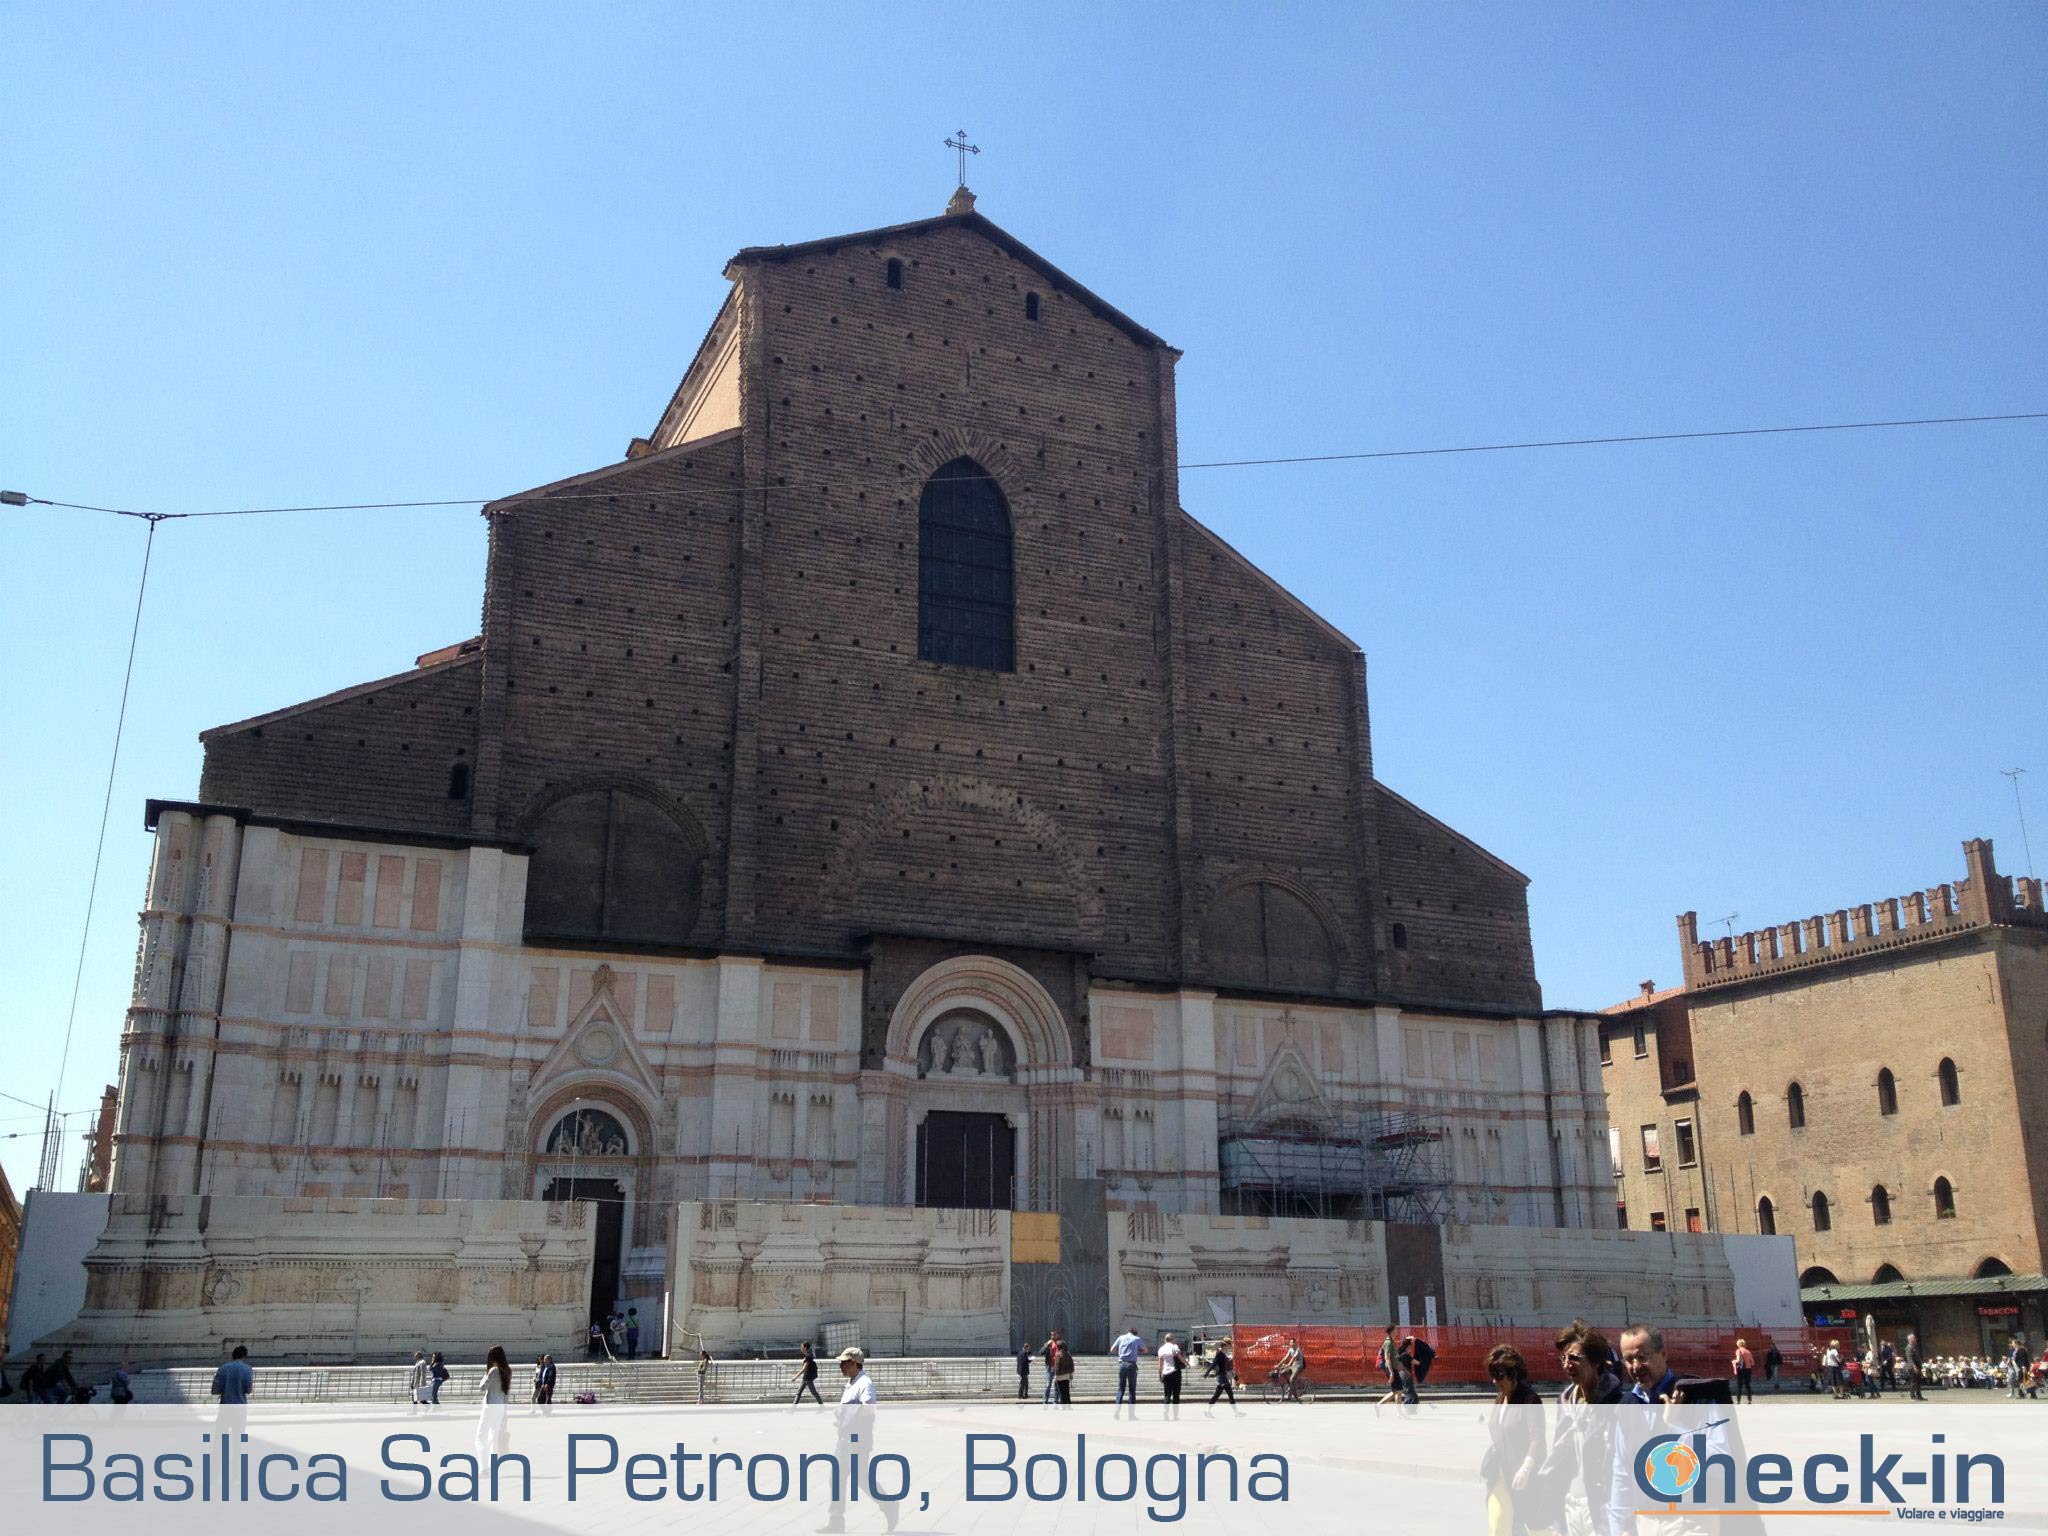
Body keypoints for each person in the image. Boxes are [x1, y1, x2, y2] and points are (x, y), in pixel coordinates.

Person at [1536, 1321, 1624, 1536]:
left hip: (1602, 1509)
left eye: (1575, 1358)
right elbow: (1560, 1462)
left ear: (1595, 1362)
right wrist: (1557, 1518)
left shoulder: (1617, 1403)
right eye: (1563, 1358)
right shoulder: (1566, 1404)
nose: (1567, 1365)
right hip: (1571, 1506)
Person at [818, 1348, 899, 1534]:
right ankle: (836, 1521)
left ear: (854, 1363)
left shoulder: (865, 1383)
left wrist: (847, 1415)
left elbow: (869, 1408)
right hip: (844, 1440)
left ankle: (890, 1505)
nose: (841, 1366)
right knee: (836, 1479)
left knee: (863, 1480)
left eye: (844, 1362)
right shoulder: (851, 1383)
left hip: (857, 1441)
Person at [1484, 1345, 1547, 1536]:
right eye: (1492, 1375)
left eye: (1500, 1375)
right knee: (1498, 1525)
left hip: (1525, 1477)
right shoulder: (1500, 1398)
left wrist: (1526, 1468)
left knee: (1537, 1528)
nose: (1495, 1380)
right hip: (1500, 1476)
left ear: (1514, 1373)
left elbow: (1537, 1438)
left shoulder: (1529, 1399)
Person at [476, 1345, 511, 1458]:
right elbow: (506, 1393)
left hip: (490, 1405)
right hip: (500, 1405)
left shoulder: (493, 1371)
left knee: (481, 1436)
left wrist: (485, 1375)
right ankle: (493, 1461)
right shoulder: (507, 1370)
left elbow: (482, 1387)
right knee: (494, 1436)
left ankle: (484, 1466)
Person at [1109, 1324, 1147, 1414]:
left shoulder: (1121, 1338)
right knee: (1132, 1389)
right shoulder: (1136, 1339)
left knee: (1121, 1389)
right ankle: (1131, 1414)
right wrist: (1137, 1350)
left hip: (1122, 1364)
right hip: (1131, 1365)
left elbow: (1112, 1349)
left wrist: (1121, 1352)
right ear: (1135, 1333)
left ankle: (1117, 1411)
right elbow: (1145, 1350)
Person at [1203, 1338, 1242, 1414]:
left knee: (1217, 1395)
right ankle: (1236, 1413)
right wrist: (1207, 1373)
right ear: (1226, 1345)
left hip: (1223, 1376)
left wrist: (1235, 1377)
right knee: (1230, 1394)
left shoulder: (1224, 1353)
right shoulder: (1219, 1353)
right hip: (1221, 1377)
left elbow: (1228, 1367)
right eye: (1230, 1344)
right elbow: (1213, 1364)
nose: (1231, 1346)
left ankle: (1208, 1411)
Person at [1157, 1332, 1186, 1417]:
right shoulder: (1174, 1347)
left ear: (1165, 1340)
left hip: (1166, 1373)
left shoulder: (1161, 1349)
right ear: (1172, 1339)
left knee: (1167, 1394)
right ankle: (1175, 1416)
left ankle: (1165, 1412)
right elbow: (1179, 1356)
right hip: (1175, 1372)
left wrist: (1160, 1375)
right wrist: (1186, 1362)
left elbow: (1160, 1365)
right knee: (1176, 1394)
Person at [792, 1341, 824, 1407]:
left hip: (808, 1378)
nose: (801, 1348)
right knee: (799, 1393)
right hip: (806, 1377)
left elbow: (804, 1369)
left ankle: (822, 1406)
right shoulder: (808, 1356)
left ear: (805, 1348)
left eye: (802, 1347)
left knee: (814, 1393)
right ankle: (792, 1409)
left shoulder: (808, 1357)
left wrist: (795, 1377)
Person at [1277, 1335, 1307, 1402]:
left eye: (1292, 1342)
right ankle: (1291, 1386)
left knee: (1291, 1379)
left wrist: (1288, 1365)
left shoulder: (1298, 1349)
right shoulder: (1290, 1350)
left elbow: (1293, 1358)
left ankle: (1296, 1396)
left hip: (1298, 1366)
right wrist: (1278, 1365)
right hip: (1292, 1366)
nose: (1291, 1344)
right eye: (1290, 1342)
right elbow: (1285, 1358)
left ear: (1295, 1343)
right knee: (1282, 1372)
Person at [1051, 1334, 1075, 1406]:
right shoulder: (1068, 1354)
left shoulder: (1058, 1354)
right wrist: (1071, 1374)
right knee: (1067, 1390)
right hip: (1067, 1375)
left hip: (1060, 1375)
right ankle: (1069, 1405)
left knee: (1061, 1391)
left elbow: (1057, 1366)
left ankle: (1063, 1405)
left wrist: (1056, 1375)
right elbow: (1071, 1364)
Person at [1040, 1330, 1061, 1405]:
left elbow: (1065, 1354)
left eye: (1054, 1335)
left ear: (1057, 1335)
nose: (1052, 1336)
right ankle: (1045, 1401)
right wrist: (1046, 1345)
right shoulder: (1048, 1344)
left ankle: (1055, 1401)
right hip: (1050, 1367)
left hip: (1058, 1368)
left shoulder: (1061, 1344)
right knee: (1048, 1384)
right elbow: (1041, 1352)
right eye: (1051, 1335)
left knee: (1057, 1385)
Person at [1731, 1337, 1754, 1404]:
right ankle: (1749, 1400)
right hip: (1748, 1370)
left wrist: (1733, 1361)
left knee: (1739, 1385)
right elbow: (1753, 1363)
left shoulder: (1738, 1350)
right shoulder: (1748, 1352)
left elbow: (1738, 1360)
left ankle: (1738, 1400)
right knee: (1748, 1385)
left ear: (1738, 1344)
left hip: (1741, 1370)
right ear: (1744, 1344)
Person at [1905, 1331, 1925, 1401]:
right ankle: (1912, 1396)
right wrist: (1914, 1367)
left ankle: (1919, 1396)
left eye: (1915, 1338)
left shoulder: (1914, 1347)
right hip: (1913, 1367)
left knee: (1918, 1382)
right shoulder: (1909, 1347)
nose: (1915, 1339)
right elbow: (1909, 1358)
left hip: (1917, 1366)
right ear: (1910, 1340)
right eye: (1914, 1338)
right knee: (1914, 1382)